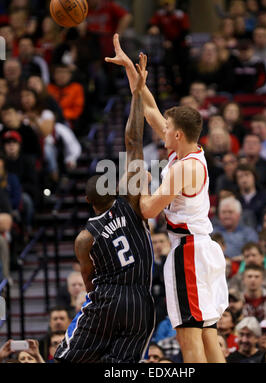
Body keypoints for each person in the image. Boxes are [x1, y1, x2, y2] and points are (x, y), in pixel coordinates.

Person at [105, 34, 228, 363]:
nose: (162, 132)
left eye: (167, 129)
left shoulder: (181, 170)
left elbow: (147, 209)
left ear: (177, 134)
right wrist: (133, 72)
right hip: (202, 249)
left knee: (190, 340)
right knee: (208, 335)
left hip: (188, 251)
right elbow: (149, 111)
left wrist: (142, 181)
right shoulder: (190, 150)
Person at [54, 57, 155, 363]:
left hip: (107, 298)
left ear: (88, 202)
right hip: (141, 300)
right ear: (116, 189)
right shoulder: (132, 201)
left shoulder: (85, 237)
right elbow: (133, 139)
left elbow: (88, 282)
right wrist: (137, 90)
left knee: (66, 360)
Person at [213, 196, 258, 260]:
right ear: (219, 215)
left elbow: (254, 253)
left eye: (230, 212)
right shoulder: (213, 232)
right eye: (223, 212)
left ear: (238, 215)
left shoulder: (249, 233)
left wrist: (242, 258)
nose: (227, 215)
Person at [235, 163, 266, 227]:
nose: (244, 180)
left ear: (254, 176)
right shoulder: (234, 199)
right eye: (240, 177)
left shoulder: (265, 197)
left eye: (247, 175)